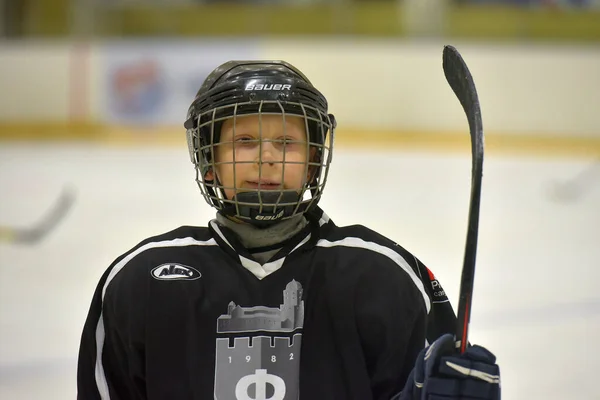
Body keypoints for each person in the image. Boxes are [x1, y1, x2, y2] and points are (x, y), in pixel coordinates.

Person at [77, 60, 500, 400]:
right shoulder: (141, 280)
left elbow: (437, 380)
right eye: (244, 141)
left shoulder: (383, 277)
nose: (266, 159)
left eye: (286, 143)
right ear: (209, 159)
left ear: (314, 159)